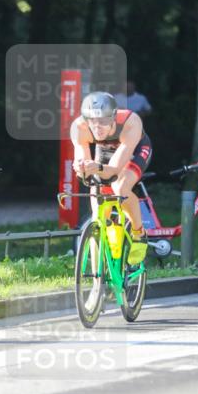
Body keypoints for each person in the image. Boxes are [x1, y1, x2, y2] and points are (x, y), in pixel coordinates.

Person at [69, 91, 152, 265]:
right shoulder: (79, 127)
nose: (97, 127)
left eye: (103, 121)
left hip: (133, 150)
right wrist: (82, 168)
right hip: (105, 150)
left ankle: (139, 232)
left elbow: (113, 170)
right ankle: (97, 282)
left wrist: (96, 168)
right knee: (97, 215)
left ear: (113, 117)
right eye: (92, 121)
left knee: (120, 187)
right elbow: (84, 166)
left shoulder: (131, 122)